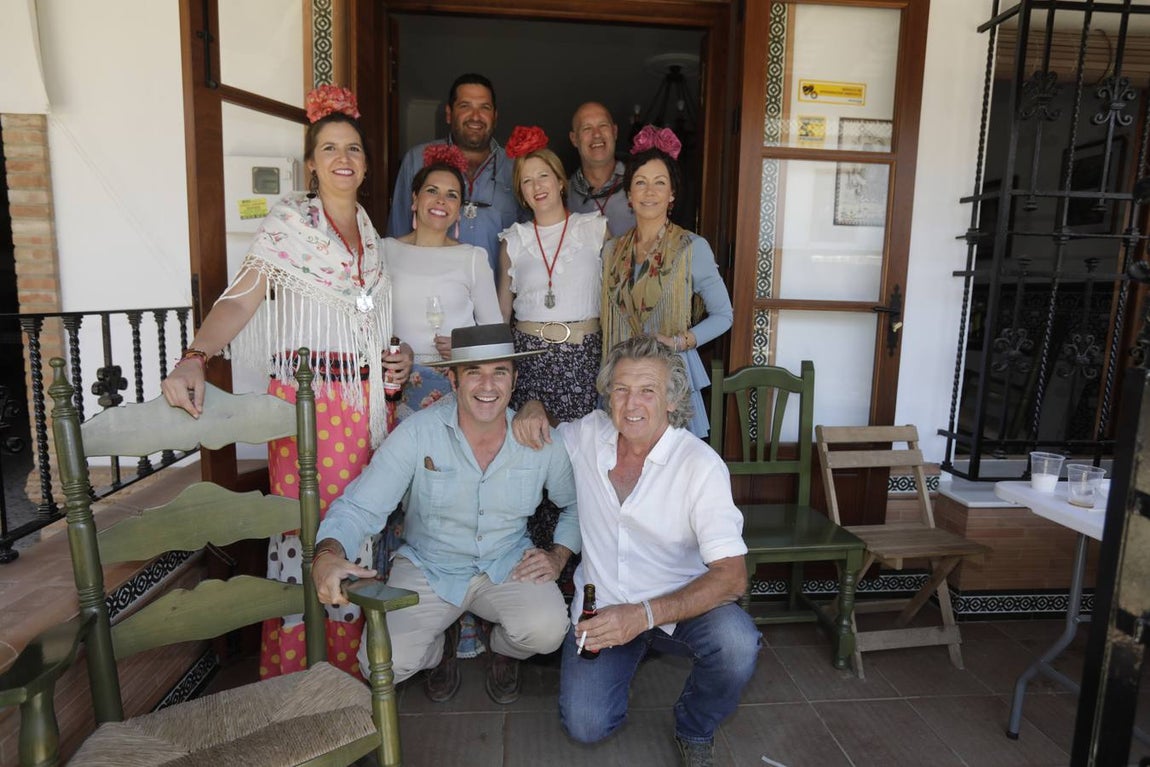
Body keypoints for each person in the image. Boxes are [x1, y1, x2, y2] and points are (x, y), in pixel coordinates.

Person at [160, 85, 412, 681]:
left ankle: (354, 678)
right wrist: (195, 356)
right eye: (330, 148)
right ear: (311, 165)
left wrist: (395, 357)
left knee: (358, 528)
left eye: (353, 149)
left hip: (365, 408)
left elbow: (367, 326)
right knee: (309, 532)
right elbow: (240, 301)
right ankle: (306, 674)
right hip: (308, 407)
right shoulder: (289, 225)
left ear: (366, 165)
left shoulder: (371, 236)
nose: (343, 158)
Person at [513, 335, 759, 767]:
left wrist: (643, 616)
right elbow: (544, 427)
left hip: (679, 607)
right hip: (603, 609)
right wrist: (533, 406)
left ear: (672, 399)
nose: (632, 404)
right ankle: (631, 652)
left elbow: (732, 577)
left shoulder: (700, 466)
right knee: (585, 725)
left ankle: (695, 725)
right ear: (608, 395)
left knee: (737, 643)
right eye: (621, 389)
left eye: (648, 390)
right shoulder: (589, 435)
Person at [311, 323, 580, 706]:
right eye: (474, 372)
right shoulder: (417, 433)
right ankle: (439, 648)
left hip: (506, 562)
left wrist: (558, 556)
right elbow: (359, 506)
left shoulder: (538, 439)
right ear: (453, 380)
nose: (487, 386)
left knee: (548, 630)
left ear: (514, 380)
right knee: (380, 665)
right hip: (429, 566)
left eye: (499, 372)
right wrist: (326, 554)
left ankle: (500, 648)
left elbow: (575, 505)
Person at [600, 125, 733, 438]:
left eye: (660, 183)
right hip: (623, 380)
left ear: (672, 194)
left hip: (668, 379)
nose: (649, 192)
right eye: (640, 183)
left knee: (670, 460)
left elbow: (724, 316)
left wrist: (677, 342)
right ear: (629, 194)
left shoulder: (691, 248)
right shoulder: (611, 251)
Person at [385, 142, 502, 413]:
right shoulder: (384, 251)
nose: (441, 200)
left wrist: (464, 346)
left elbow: (495, 334)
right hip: (394, 381)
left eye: (452, 195)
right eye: (432, 191)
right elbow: (366, 322)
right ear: (415, 199)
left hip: (454, 383)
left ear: (459, 209)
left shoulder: (472, 258)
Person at [387, 73, 519, 279]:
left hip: (498, 294)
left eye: (484, 107)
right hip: (430, 290)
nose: (476, 116)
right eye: (465, 106)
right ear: (449, 114)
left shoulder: (516, 168)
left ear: (495, 116)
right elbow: (398, 232)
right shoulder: (418, 159)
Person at [567, 102, 634, 238]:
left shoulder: (639, 182)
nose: (597, 134)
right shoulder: (563, 194)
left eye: (603, 125)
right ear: (574, 139)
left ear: (615, 132)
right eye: (587, 128)